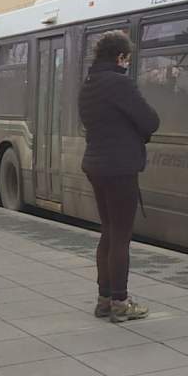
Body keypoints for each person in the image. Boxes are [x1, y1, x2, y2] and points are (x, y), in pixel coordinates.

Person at [78, 31, 160, 322]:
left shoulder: (89, 84)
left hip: (97, 167)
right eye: (127, 58)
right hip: (121, 168)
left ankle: (103, 299)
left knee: (108, 233)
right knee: (121, 238)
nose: (127, 63)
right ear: (120, 57)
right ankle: (120, 303)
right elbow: (151, 120)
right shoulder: (119, 83)